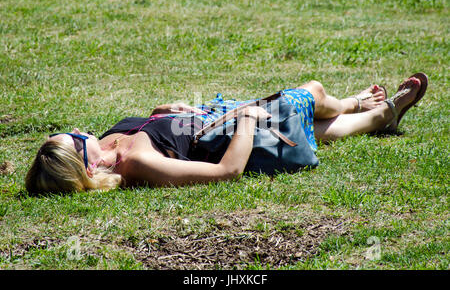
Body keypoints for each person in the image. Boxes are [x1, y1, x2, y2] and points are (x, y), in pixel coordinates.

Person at [25, 73, 428, 195]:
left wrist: (164, 113)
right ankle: (358, 104)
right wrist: (250, 118)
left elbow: (158, 130)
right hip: (236, 131)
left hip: (215, 117)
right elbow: (227, 173)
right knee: (315, 92)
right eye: (74, 139)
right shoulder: (138, 163)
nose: (77, 130)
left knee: (314, 130)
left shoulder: (110, 142)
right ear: (87, 163)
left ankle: (382, 117)